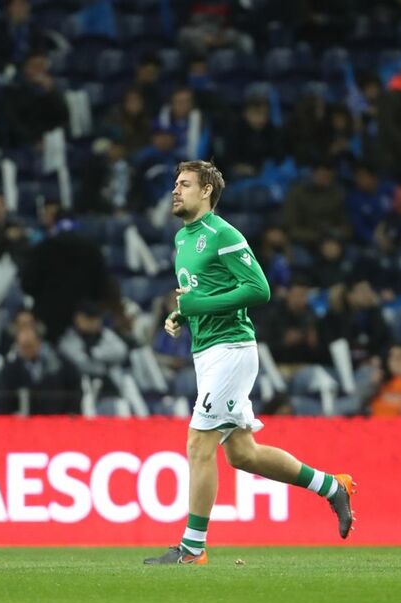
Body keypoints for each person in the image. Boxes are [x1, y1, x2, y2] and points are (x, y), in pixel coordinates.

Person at [144, 161, 356, 566]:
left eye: (184, 184)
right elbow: (200, 293)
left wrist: (196, 305)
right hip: (206, 353)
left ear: (206, 192)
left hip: (232, 350)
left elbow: (259, 289)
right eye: (175, 184)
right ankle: (332, 487)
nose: (175, 190)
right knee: (243, 454)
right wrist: (181, 314)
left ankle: (192, 549)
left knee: (197, 443)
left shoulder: (222, 233)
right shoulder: (183, 240)